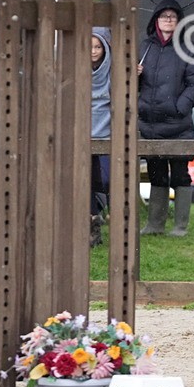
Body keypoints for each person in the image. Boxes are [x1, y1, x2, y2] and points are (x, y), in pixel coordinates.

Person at [138, 1, 194, 236]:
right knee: (156, 174)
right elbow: (130, 85)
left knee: (180, 174)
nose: (168, 20)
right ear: (156, 20)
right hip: (149, 124)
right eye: (164, 16)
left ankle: (180, 226)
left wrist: (178, 108)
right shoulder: (144, 48)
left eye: (173, 16)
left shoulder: (188, 49)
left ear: (179, 21)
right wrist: (133, 74)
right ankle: (155, 225)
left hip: (178, 125)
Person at [90, 27, 111, 247]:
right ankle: (93, 225)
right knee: (86, 180)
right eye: (90, 46)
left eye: (98, 46)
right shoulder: (75, 70)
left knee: (106, 180)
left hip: (107, 134)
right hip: (83, 134)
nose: (94, 51)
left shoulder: (113, 72)